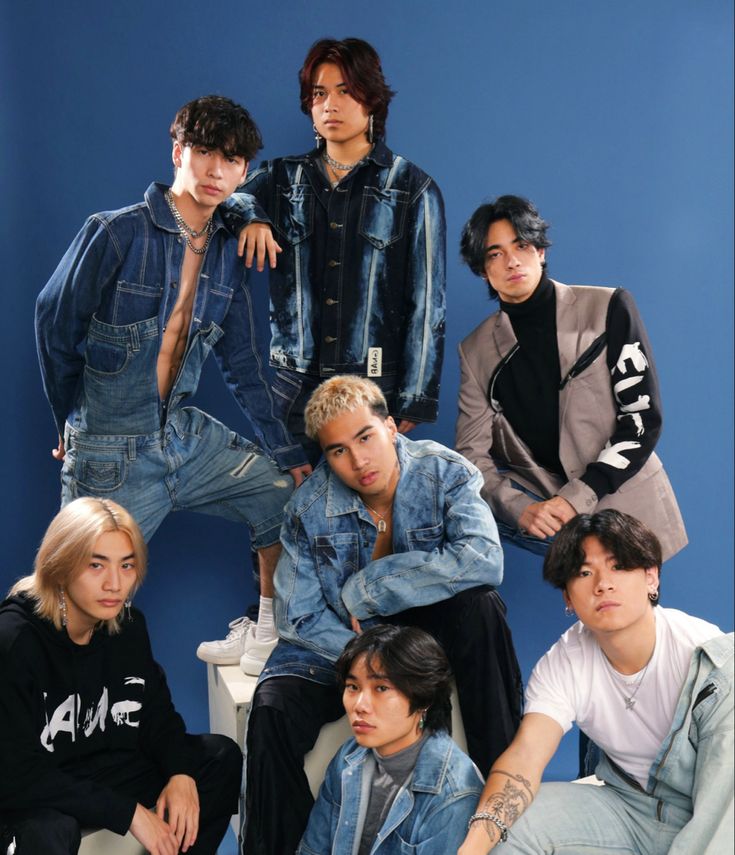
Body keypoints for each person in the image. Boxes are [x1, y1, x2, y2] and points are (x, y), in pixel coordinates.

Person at [35, 95, 310, 675]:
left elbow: (244, 361)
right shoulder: (116, 234)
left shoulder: (228, 254)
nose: (215, 171)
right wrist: (71, 419)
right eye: (205, 153)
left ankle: (266, 629)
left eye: (231, 161)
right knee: (75, 606)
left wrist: (287, 450)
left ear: (242, 172)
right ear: (179, 151)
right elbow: (55, 326)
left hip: (182, 437)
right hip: (111, 450)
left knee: (282, 494)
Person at [242, 376, 522, 855]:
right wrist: (372, 667)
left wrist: (371, 587)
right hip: (338, 643)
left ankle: (503, 810)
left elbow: (483, 559)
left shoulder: (444, 473)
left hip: (429, 636)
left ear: (391, 426)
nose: (357, 461)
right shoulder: (308, 510)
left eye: (365, 437)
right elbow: (300, 617)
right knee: (271, 707)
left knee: (482, 608)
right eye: (337, 451)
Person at [458, 510, 732, 855]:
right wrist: (474, 846)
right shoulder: (565, 662)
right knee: (510, 828)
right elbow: (525, 757)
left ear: (651, 578)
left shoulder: (709, 655)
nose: (603, 584)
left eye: (618, 566)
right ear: (568, 599)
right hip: (632, 810)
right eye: (585, 573)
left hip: (714, 816)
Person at [227, 36, 446, 466]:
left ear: (372, 101)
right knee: (282, 507)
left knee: (363, 517)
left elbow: (427, 306)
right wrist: (251, 215)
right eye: (319, 93)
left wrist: (411, 399)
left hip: (372, 383)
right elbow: (224, 196)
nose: (330, 104)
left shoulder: (413, 189)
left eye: (345, 91)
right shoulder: (280, 178)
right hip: (293, 384)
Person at [0, 498, 242, 855]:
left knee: (218, 757)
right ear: (61, 565)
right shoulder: (15, 640)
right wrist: (127, 813)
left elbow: (157, 716)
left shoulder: (127, 627)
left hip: (102, 770)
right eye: (96, 565)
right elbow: (16, 776)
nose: (115, 583)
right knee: (50, 830)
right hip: (36, 789)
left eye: (126, 565)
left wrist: (181, 772)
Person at [456, 194, 686, 561]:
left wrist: (576, 497)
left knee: (640, 611)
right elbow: (470, 459)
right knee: (585, 611)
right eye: (494, 253)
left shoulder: (608, 306)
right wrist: (519, 508)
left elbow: (642, 419)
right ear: (482, 270)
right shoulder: (475, 351)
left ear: (541, 251)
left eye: (522, 245)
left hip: (632, 505)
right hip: (557, 528)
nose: (512, 260)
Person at [297, 625, 483, 854]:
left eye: (381, 688)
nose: (360, 706)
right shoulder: (348, 756)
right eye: (353, 687)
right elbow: (312, 850)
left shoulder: (454, 793)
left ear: (423, 697)